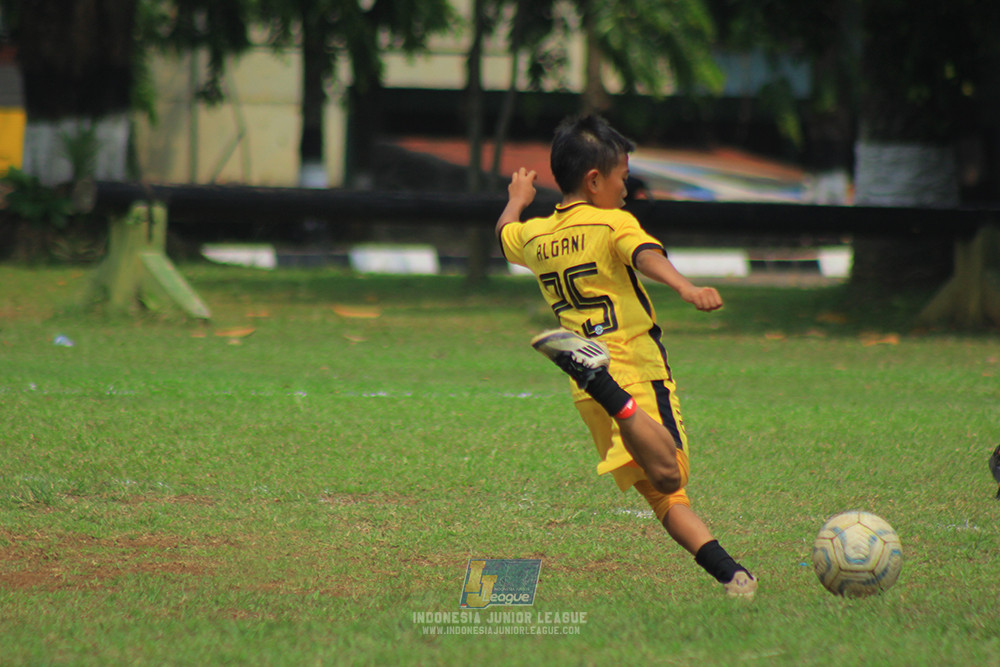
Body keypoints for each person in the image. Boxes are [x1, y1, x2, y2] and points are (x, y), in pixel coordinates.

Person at [495, 114, 756, 597]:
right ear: (595, 180)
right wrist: (685, 285)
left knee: (665, 496)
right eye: (623, 178)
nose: (627, 189)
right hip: (629, 369)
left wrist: (516, 200)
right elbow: (643, 254)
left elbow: (504, 235)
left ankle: (733, 576)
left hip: (584, 389)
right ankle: (612, 392)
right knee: (670, 470)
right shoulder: (611, 221)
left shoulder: (536, 235)